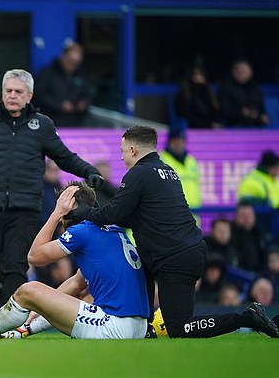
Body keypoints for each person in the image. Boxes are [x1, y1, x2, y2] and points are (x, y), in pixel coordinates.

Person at [65, 125, 278, 338]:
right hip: (185, 252)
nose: (121, 158)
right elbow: (134, 216)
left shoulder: (138, 173)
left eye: (122, 151)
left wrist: (81, 211)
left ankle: (246, 318)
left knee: (179, 328)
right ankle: (146, 326)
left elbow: (113, 214)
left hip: (175, 259)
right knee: (141, 268)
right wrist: (102, 187)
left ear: (133, 150)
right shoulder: (167, 171)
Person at [0, 69, 103, 308]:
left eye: (18, 91)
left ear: (29, 95)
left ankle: (7, 323)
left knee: (16, 266)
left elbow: (64, 157)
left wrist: (88, 171)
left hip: (25, 209)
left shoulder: (43, 126)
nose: (12, 95)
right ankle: (1, 291)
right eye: (8, 90)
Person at [0, 182, 149, 340]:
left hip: (113, 326)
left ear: (69, 209)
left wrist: (56, 213)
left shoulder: (82, 231)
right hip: (138, 328)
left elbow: (34, 256)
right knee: (84, 294)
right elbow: (76, 283)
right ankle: (24, 329)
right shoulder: (112, 229)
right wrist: (36, 312)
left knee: (28, 290)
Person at [33, 42, 92, 127]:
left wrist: (83, 104)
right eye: (71, 61)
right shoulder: (47, 73)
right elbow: (38, 96)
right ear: (63, 56)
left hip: (75, 124)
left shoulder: (81, 75)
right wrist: (59, 105)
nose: (73, 65)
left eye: (76, 63)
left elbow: (87, 94)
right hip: (51, 123)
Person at [217, 58, 270, 128]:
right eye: (239, 71)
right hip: (234, 127)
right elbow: (224, 112)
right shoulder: (225, 88)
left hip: (256, 127)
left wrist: (263, 117)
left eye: (245, 71)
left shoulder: (255, 89)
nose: (241, 73)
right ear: (233, 72)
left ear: (251, 72)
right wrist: (242, 112)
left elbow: (262, 110)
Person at [159, 129, 202, 211]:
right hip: (173, 214)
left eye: (181, 141)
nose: (178, 144)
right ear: (169, 142)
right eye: (175, 141)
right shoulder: (161, 160)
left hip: (194, 214)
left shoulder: (191, 161)